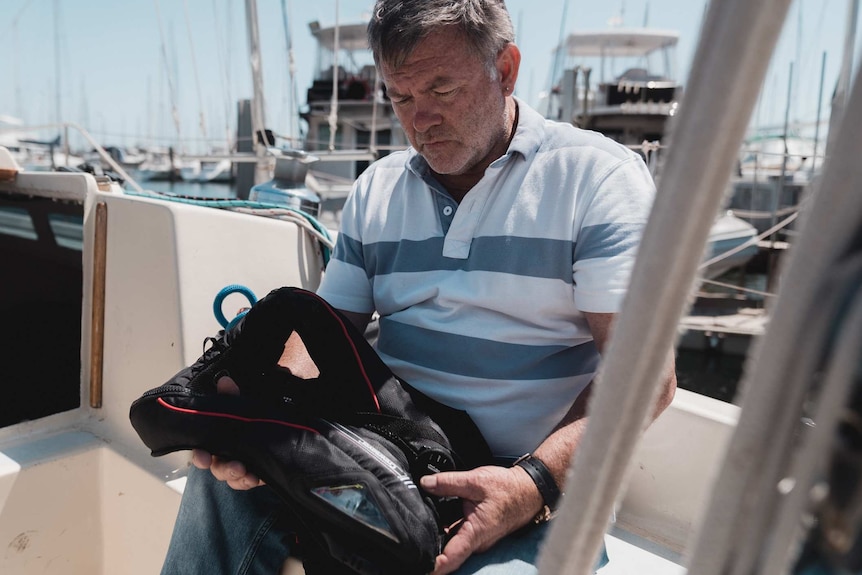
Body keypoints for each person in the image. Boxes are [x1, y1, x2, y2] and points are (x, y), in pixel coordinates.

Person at [160, 0, 677, 573]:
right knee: (219, 488)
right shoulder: (376, 188)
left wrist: (528, 483)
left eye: (442, 90)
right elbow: (324, 341)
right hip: (388, 456)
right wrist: (260, 419)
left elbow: (647, 377)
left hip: (535, 485)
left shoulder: (598, 178)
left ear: (504, 69)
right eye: (401, 98)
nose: (420, 120)